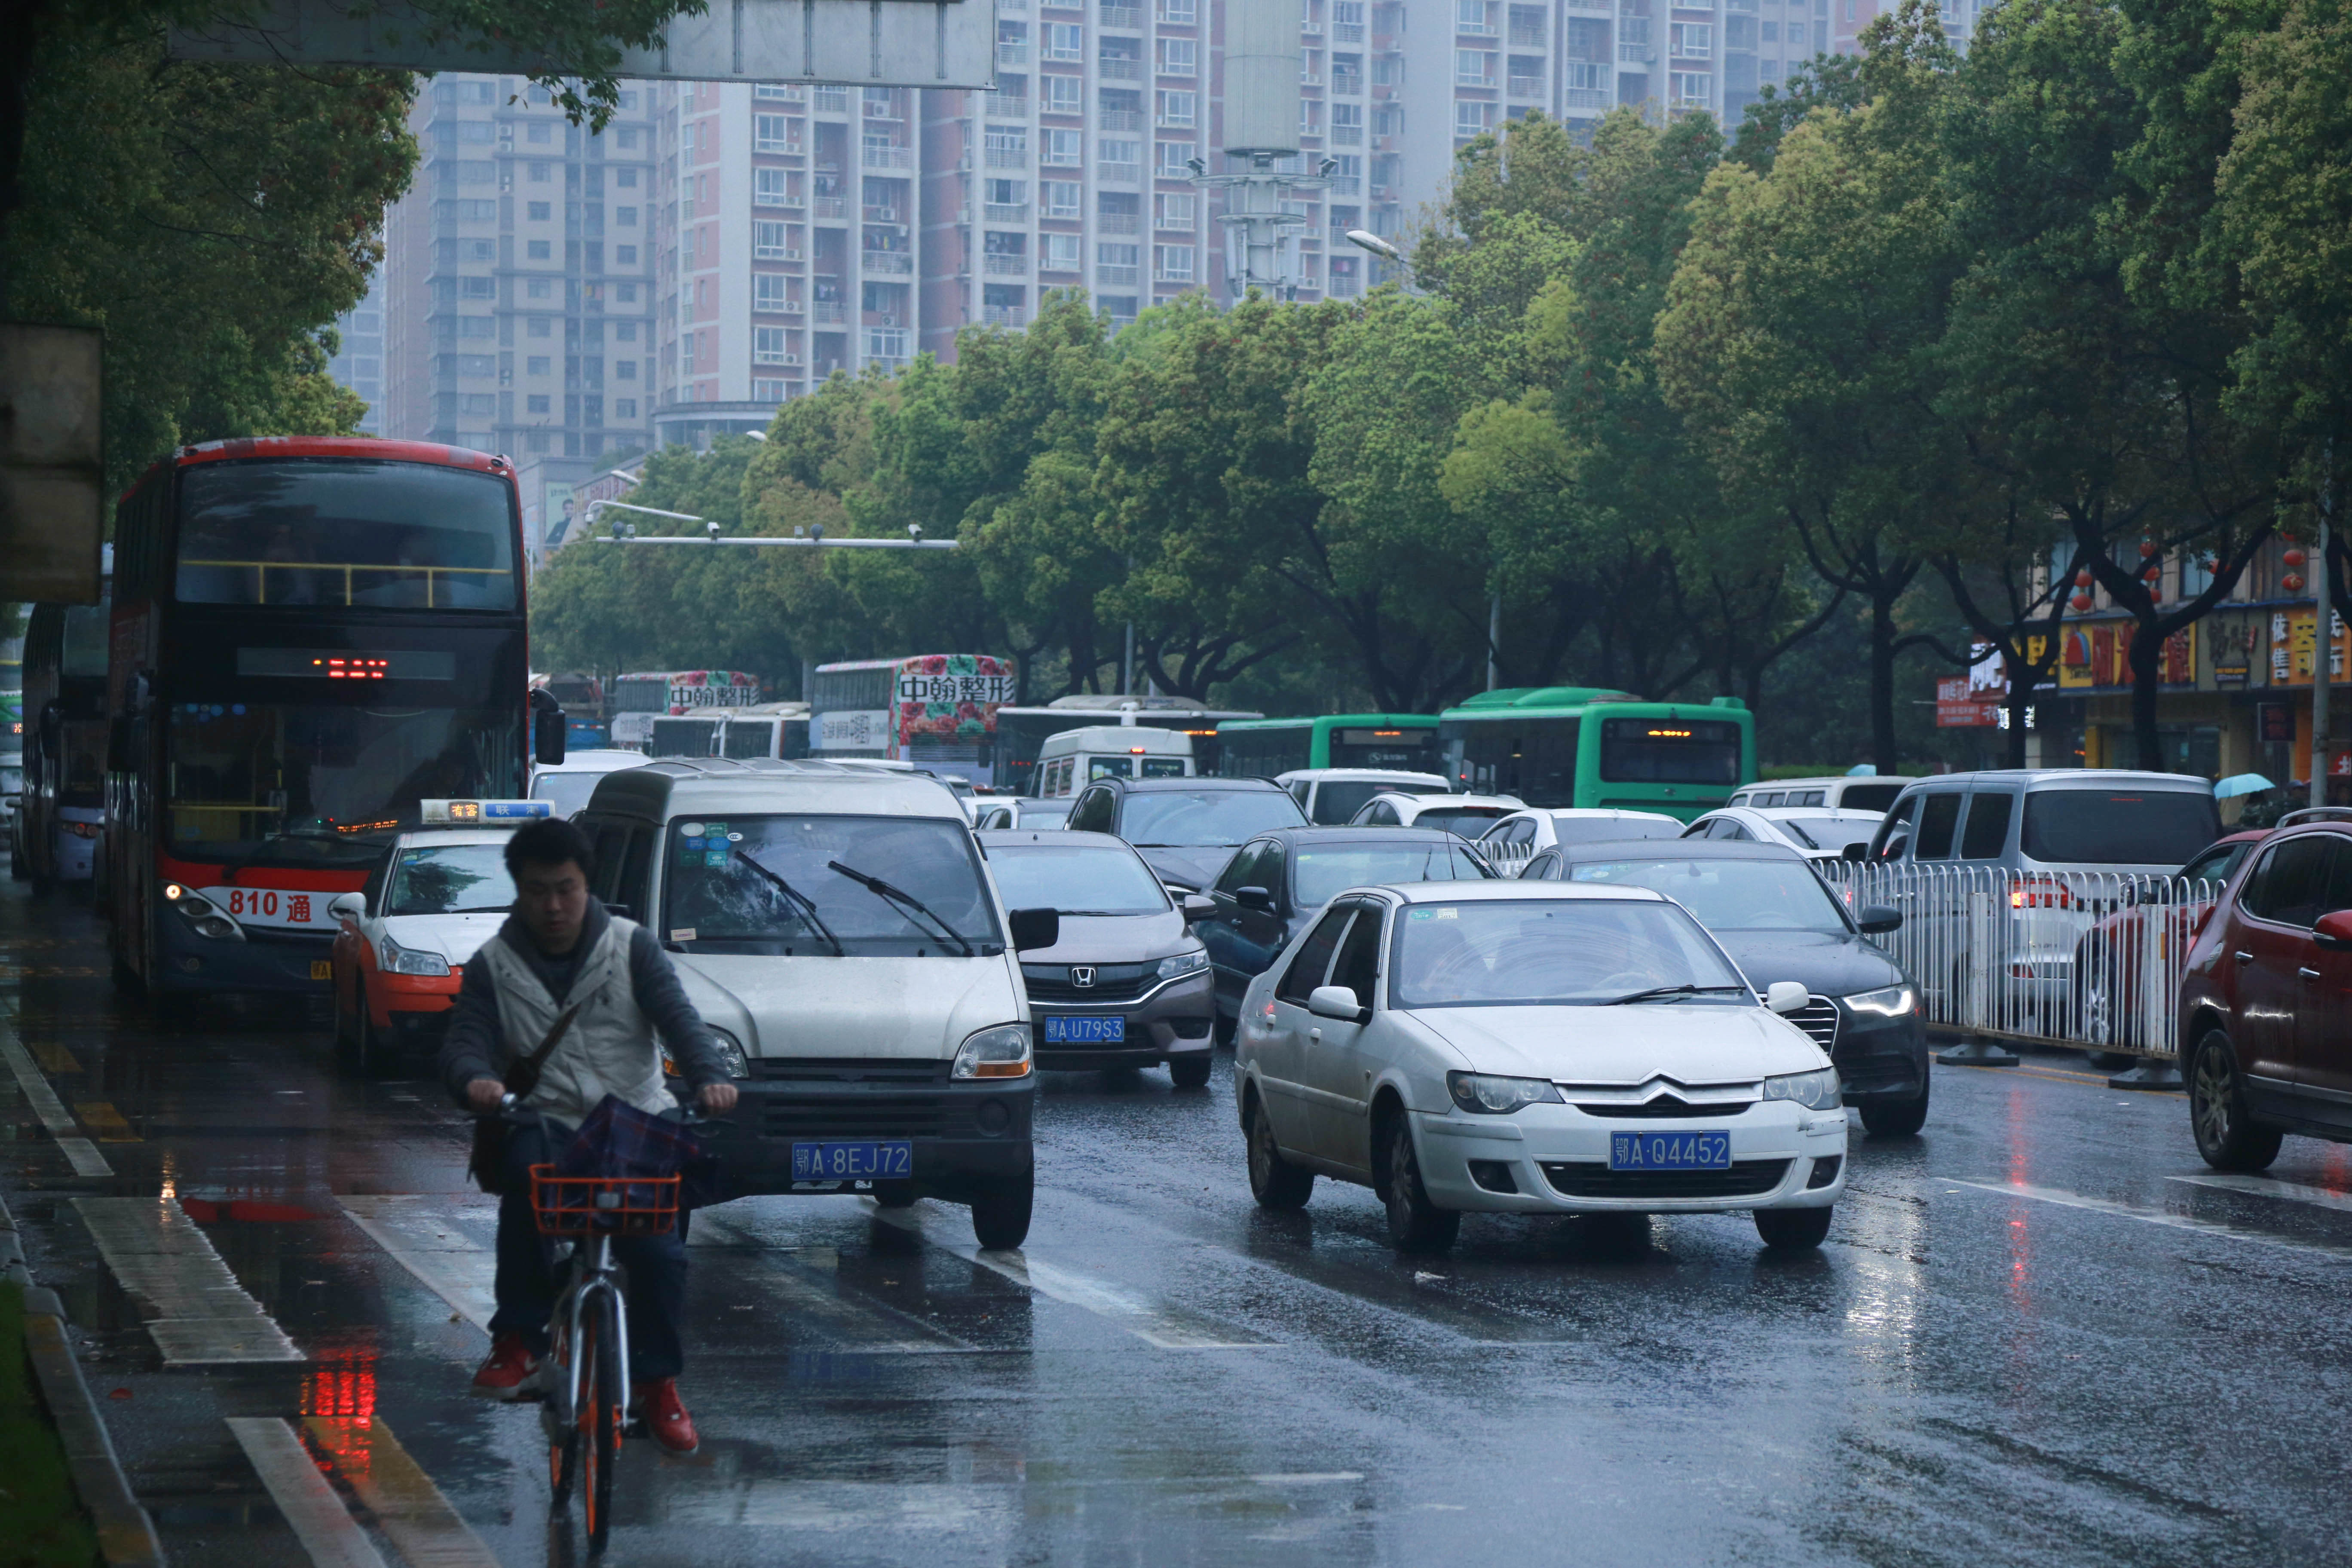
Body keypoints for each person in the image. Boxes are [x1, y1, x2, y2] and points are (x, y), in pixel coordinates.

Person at [439, 817, 739, 1455]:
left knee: (659, 1257)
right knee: (527, 1184)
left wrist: (710, 1076)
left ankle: (659, 1385)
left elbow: (681, 1021)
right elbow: (467, 1039)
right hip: (545, 1120)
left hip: (632, 1122)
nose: (554, 905)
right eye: (539, 890)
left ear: (587, 885)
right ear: (518, 891)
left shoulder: (632, 946)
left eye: (567, 889)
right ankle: (519, 1341)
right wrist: (475, 1081)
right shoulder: (493, 965)